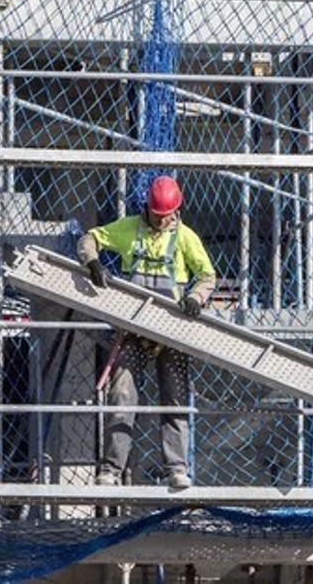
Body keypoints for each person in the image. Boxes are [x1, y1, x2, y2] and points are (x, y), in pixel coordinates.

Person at [76, 175, 216, 488]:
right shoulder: (128, 229)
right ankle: (111, 469)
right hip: (132, 330)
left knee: (175, 400)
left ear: (176, 211)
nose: (161, 219)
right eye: (156, 213)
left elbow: (207, 275)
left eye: (166, 215)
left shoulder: (185, 238)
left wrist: (195, 298)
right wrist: (93, 263)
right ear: (147, 209)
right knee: (121, 396)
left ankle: (176, 469)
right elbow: (89, 239)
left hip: (171, 332)